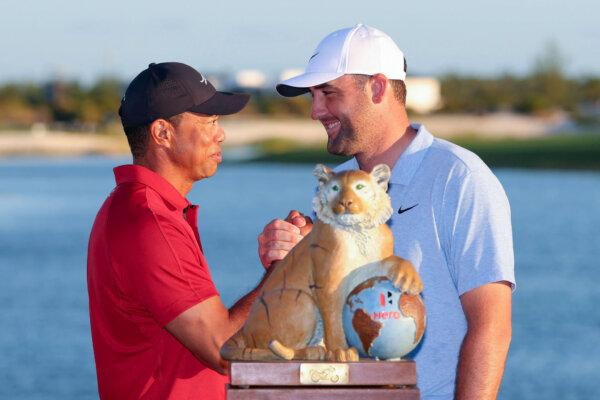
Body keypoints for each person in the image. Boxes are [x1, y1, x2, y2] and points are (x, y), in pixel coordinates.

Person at [258, 24, 515, 400]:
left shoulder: (459, 177)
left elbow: (492, 326)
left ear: (377, 88)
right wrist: (284, 267)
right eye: (312, 96)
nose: (315, 111)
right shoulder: (336, 189)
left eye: (328, 92)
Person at [87, 62, 268, 400]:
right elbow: (224, 349)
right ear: (162, 133)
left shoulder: (136, 210)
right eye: (209, 121)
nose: (221, 133)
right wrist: (288, 268)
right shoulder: (149, 223)